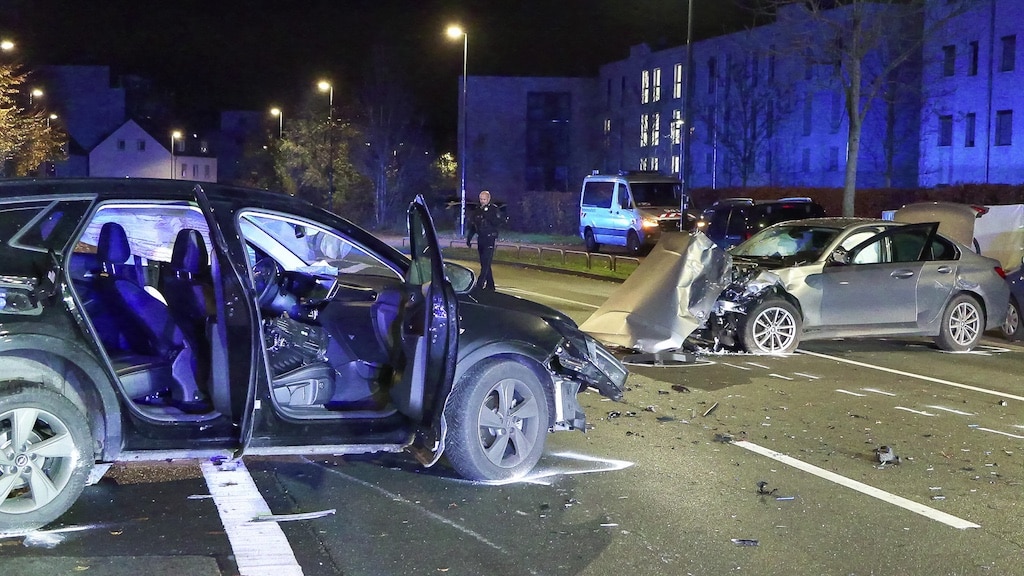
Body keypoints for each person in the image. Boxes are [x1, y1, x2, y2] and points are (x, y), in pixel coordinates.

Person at [466, 190, 505, 290]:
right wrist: (469, 238)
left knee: (486, 262)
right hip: (481, 238)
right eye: (481, 199)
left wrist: (489, 216)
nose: (482, 201)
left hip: (489, 238)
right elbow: (474, 225)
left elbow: (498, 222)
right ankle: (490, 285)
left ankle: (479, 284)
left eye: (484, 199)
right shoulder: (477, 210)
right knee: (484, 263)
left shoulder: (493, 209)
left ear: (488, 199)